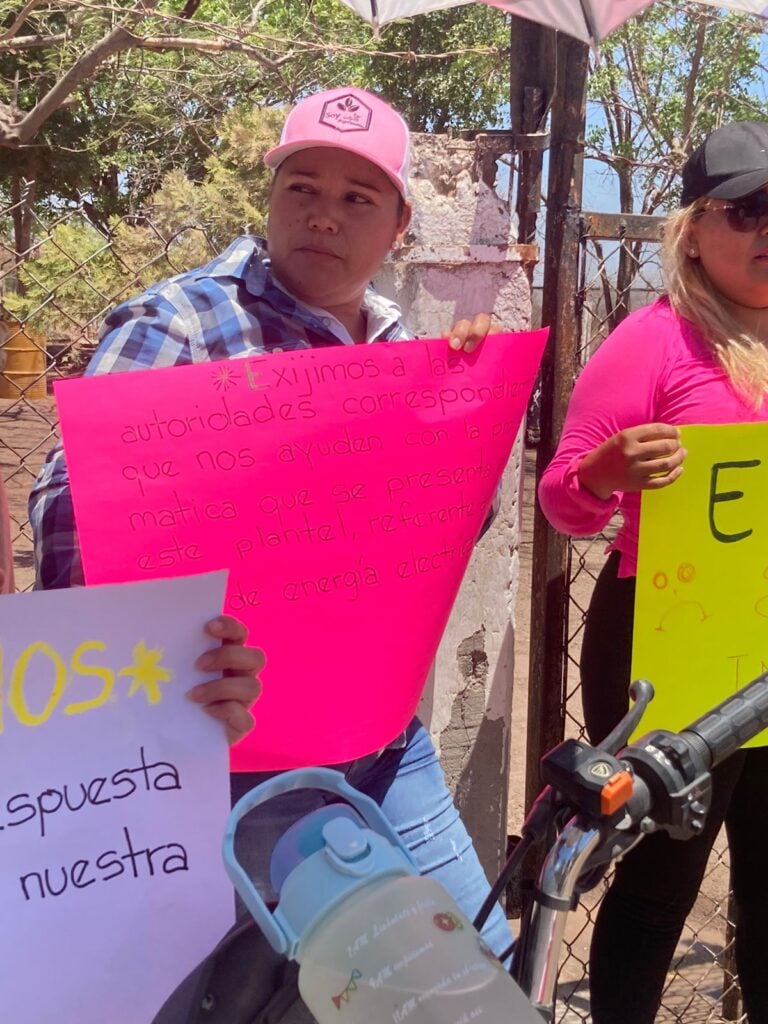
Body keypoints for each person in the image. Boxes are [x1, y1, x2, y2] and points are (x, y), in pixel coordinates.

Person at [29, 86, 511, 1021]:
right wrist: (175, 642)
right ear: (272, 195)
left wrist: (461, 416)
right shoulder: (180, 325)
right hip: (233, 748)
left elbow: (454, 527)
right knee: (319, 992)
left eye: (358, 197)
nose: (324, 214)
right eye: (303, 186)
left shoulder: (402, 346)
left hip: (381, 741)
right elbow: (68, 530)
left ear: (400, 224)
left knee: (479, 969)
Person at [538, 120, 768, 1024]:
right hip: (664, 641)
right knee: (660, 873)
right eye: (747, 210)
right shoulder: (656, 338)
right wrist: (604, 473)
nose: (766, 231)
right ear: (693, 227)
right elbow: (562, 499)